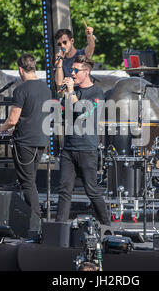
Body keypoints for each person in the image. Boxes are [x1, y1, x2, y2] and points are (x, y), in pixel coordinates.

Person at [0, 53, 51, 241]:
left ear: (21, 70)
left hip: (25, 141)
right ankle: (30, 220)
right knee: (30, 180)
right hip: (41, 141)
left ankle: (36, 222)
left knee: (27, 182)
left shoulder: (21, 90)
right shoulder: (46, 89)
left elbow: (13, 119)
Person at [55, 55, 110, 226]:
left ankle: (107, 226)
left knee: (91, 190)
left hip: (87, 148)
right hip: (69, 148)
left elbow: (83, 115)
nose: (72, 73)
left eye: (76, 70)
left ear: (86, 72)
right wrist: (64, 95)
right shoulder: (74, 91)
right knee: (64, 190)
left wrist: (71, 93)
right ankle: (59, 228)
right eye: (72, 70)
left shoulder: (97, 93)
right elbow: (62, 114)